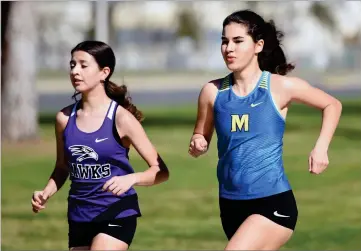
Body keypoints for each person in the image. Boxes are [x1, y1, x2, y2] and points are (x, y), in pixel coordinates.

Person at [188, 10, 342, 250]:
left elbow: (332, 104)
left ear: (258, 45)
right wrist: (198, 142)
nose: (229, 48)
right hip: (230, 203)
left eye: (238, 41)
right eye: (224, 41)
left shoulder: (280, 87)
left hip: (272, 201)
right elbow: (201, 134)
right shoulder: (212, 92)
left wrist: (321, 148)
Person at [31, 41, 169, 250]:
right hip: (79, 214)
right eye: (72, 65)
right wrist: (46, 192)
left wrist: (132, 178)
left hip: (117, 211)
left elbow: (161, 171)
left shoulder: (121, 119)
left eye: (83, 65)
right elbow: (62, 167)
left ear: (104, 72)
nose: (75, 71)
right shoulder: (64, 118)